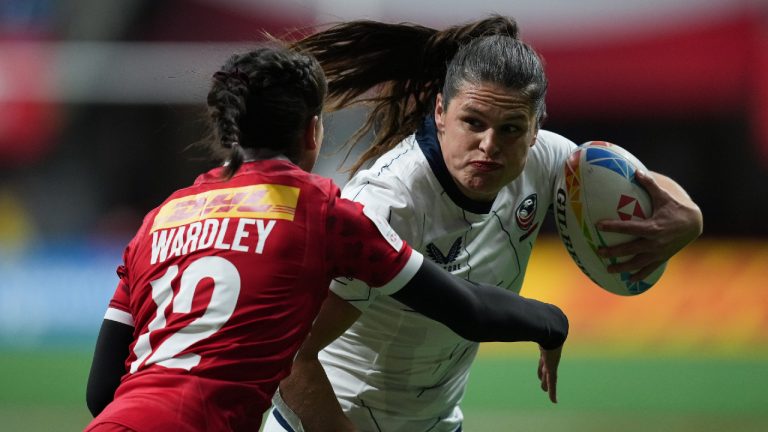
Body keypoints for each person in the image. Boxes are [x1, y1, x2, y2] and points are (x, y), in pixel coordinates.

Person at [83, 43, 571, 432]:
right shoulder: (325, 212)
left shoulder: (161, 217)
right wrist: (549, 320)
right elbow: (466, 309)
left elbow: (100, 391)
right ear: (313, 131)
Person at [264, 16, 703, 432]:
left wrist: (688, 216)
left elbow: (622, 175)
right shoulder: (387, 202)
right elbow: (290, 355)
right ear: (440, 112)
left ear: (536, 130)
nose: (489, 146)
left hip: (436, 422)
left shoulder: (548, 159)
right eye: (472, 122)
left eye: (511, 129)